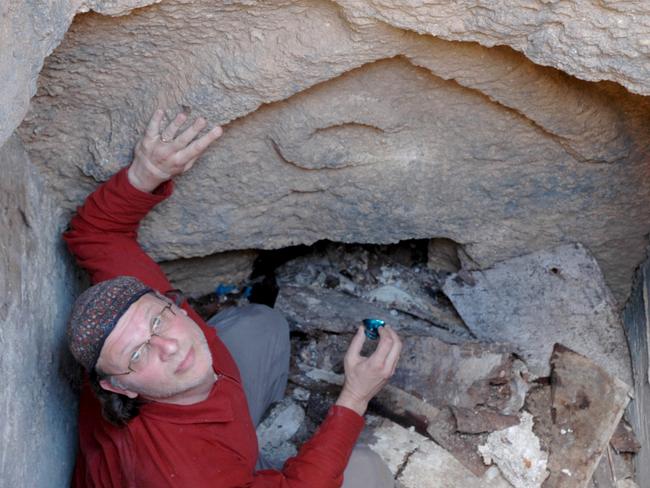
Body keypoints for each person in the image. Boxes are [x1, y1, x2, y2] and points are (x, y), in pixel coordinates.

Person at [64, 109, 402, 487]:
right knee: (366, 471)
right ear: (119, 388)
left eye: (158, 322)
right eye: (138, 355)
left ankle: (247, 447)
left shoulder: (124, 314)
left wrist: (146, 173)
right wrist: (355, 396)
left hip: (210, 432)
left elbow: (95, 233)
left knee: (259, 326)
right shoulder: (180, 475)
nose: (170, 347)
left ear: (166, 301)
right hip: (201, 469)